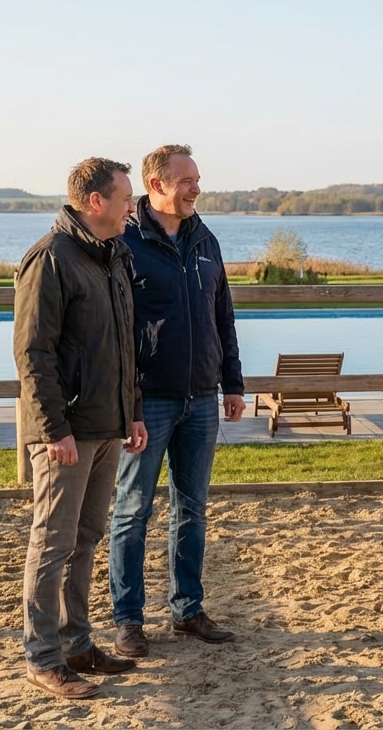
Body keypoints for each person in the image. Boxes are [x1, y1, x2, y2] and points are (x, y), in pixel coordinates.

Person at [14, 157, 148, 699]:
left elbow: (123, 344)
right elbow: (33, 353)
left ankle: (77, 644)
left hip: (105, 426)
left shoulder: (111, 255)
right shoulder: (50, 259)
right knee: (52, 542)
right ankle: (42, 657)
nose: (132, 205)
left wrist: (131, 412)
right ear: (96, 202)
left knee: (86, 538)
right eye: (125, 197)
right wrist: (53, 430)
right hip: (65, 434)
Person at [107, 144, 245, 658]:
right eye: (187, 180)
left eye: (197, 179)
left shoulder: (205, 238)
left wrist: (232, 382)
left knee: (193, 509)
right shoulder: (127, 241)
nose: (196, 188)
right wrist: (131, 404)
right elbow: (118, 331)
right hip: (150, 403)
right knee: (132, 510)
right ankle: (128, 620)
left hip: (202, 399)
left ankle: (188, 609)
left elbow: (222, 315)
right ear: (156, 185)